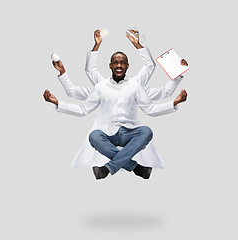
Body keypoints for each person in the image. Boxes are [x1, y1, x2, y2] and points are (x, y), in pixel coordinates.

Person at [49, 30, 188, 179]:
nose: (119, 65)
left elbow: (153, 104)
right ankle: (136, 167)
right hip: (108, 134)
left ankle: (108, 169)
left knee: (147, 132)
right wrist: (58, 100)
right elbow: (82, 104)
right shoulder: (100, 86)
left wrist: (175, 96)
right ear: (110, 66)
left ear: (128, 66)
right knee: (94, 136)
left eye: (122, 62)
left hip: (130, 133)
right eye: (115, 62)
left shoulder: (135, 86)